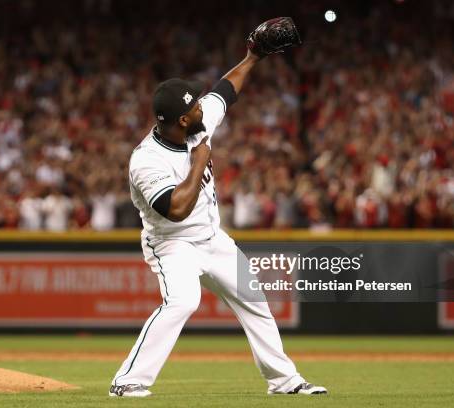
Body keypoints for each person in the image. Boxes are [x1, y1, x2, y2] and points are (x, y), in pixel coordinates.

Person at [109, 29, 327, 397]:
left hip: (213, 238)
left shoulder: (195, 123)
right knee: (183, 301)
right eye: (194, 108)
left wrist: (253, 57)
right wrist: (199, 163)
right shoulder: (146, 160)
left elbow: (225, 90)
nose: (201, 108)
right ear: (180, 121)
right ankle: (127, 381)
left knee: (254, 298)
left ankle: (285, 381)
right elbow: (176, 210)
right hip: (172, 244)